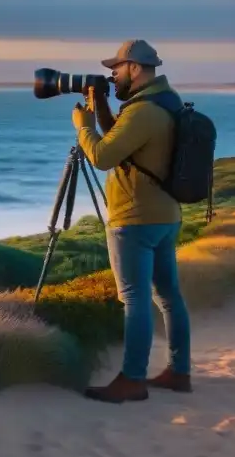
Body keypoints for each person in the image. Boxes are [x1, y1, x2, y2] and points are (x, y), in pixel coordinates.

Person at [70, 39, 193, 403]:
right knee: (169, 297)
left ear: (135, 68)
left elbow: (103, 155)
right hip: (166, 214)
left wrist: (84, 124)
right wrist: (104, 108)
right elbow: (126, 142)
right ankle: (179, 371)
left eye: (118, 68)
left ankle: (132, 379)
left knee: (135, 298)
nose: (113, 74)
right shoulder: (164, 101)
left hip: (136, 219)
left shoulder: (142, 112)